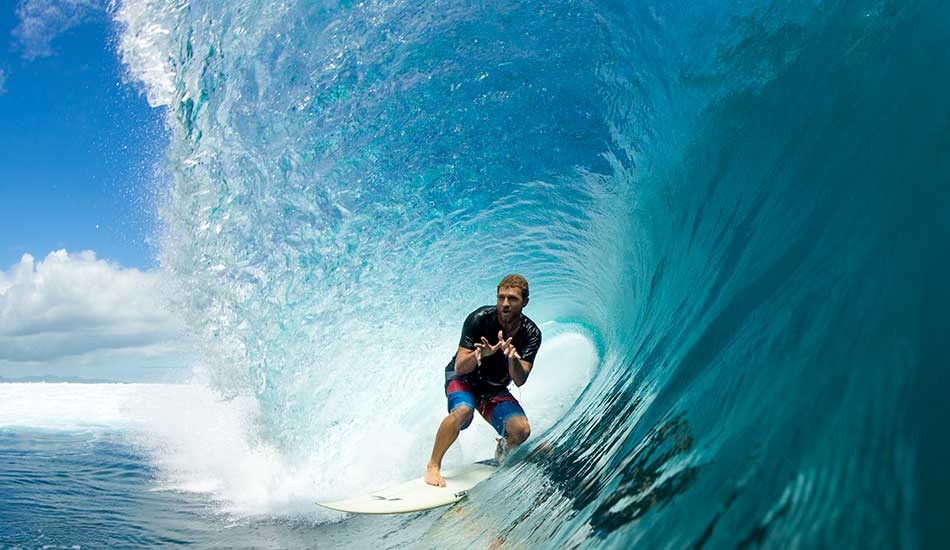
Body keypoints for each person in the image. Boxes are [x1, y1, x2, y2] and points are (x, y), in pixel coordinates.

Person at [424, 274, 542, 487]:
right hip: (464, 379)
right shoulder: (479, 319)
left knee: (521, 430)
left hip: (493, 388)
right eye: (501, 298)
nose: (505, 304)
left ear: (525, 302)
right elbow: (460, 366)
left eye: (512, 299)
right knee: (463, 412)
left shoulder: (531, 334)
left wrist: (511, 359)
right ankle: (433, 466)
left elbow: (520, 379)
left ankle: (501, 451)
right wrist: (481, 355)